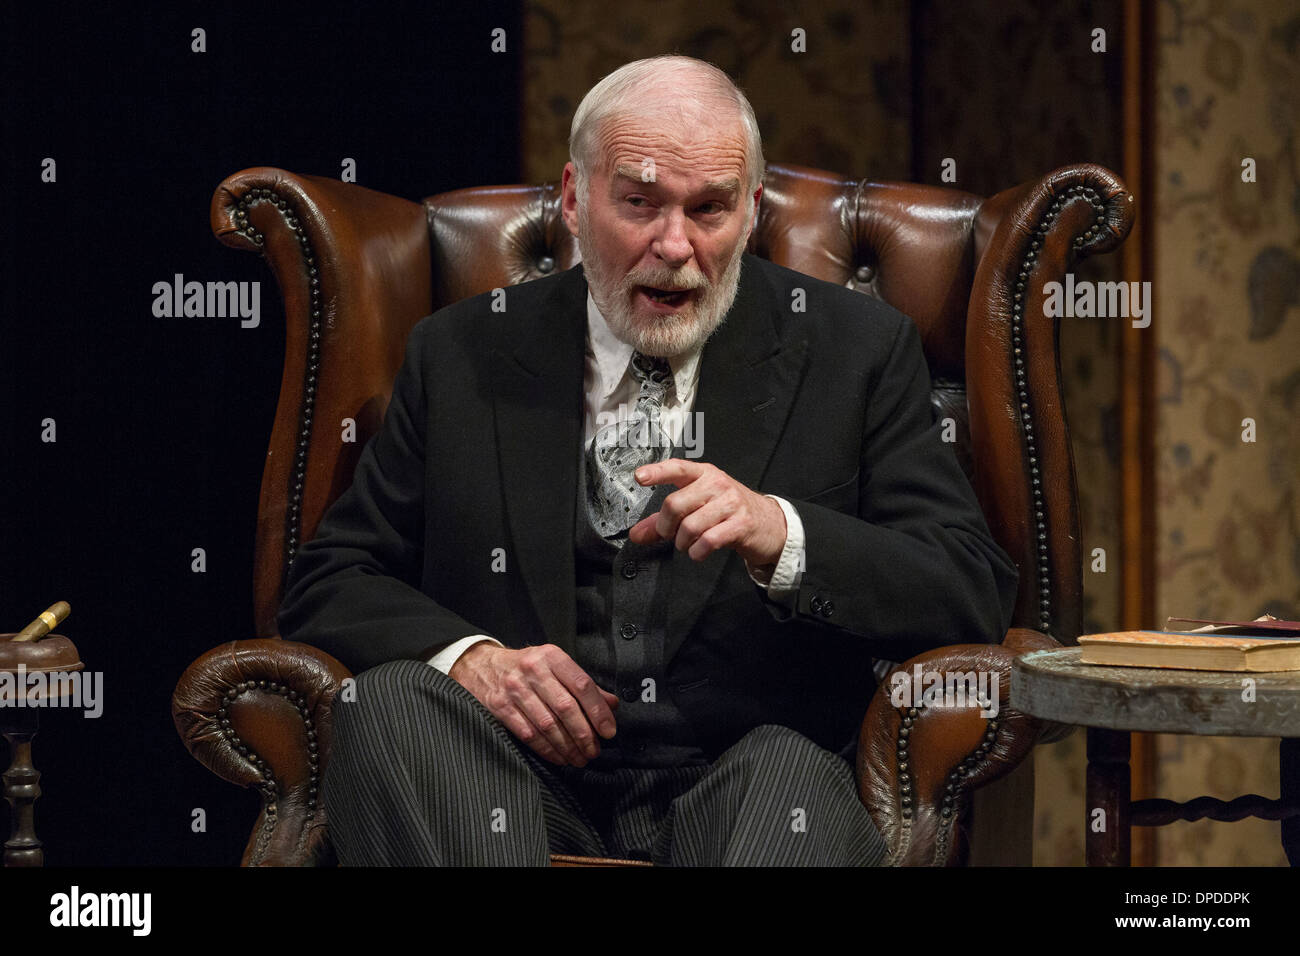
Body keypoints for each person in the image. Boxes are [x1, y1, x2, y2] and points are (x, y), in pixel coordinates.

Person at [277, 54, 1019, 866]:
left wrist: (784, 533)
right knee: (388, 705)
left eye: (710, 209)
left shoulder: (857, 351)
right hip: (503, 790)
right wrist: (472, 660)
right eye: (639, 203)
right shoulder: (463, 353)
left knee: (790, 777)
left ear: (752, 208)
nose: (676, 246)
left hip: (743, 786)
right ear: (573, 197)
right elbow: (332, 578)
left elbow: (968, 589)